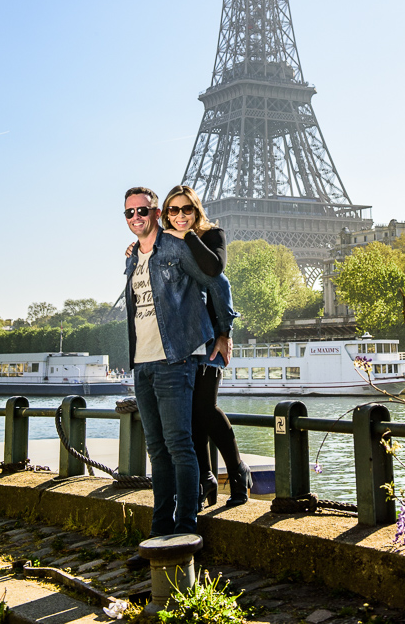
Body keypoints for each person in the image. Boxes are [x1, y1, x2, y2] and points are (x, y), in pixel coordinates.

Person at [122, 186, 236, 548]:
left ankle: (185, 527)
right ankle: (159, 531)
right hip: (142, 364)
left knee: (180, 446)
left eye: (143, 211)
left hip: (176, 360)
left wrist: (223, 332)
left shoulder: (177, 247)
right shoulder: (131, 259)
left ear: (157, 214)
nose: (136, 217)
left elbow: (218, 282)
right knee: (157, 450)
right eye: (130, 213)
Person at [159, 185, 252, 509]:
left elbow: (216, 272)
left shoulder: (213, 235)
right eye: (173, 210)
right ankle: (205, 479)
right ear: (165, 213)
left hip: (211, 335)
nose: (180, 215)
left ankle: (237, 470)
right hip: (179, 339)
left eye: (187, 209)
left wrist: (225, 332)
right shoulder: (163, 245)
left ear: (196, 210)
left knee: (204, 407)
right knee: (189, 414)